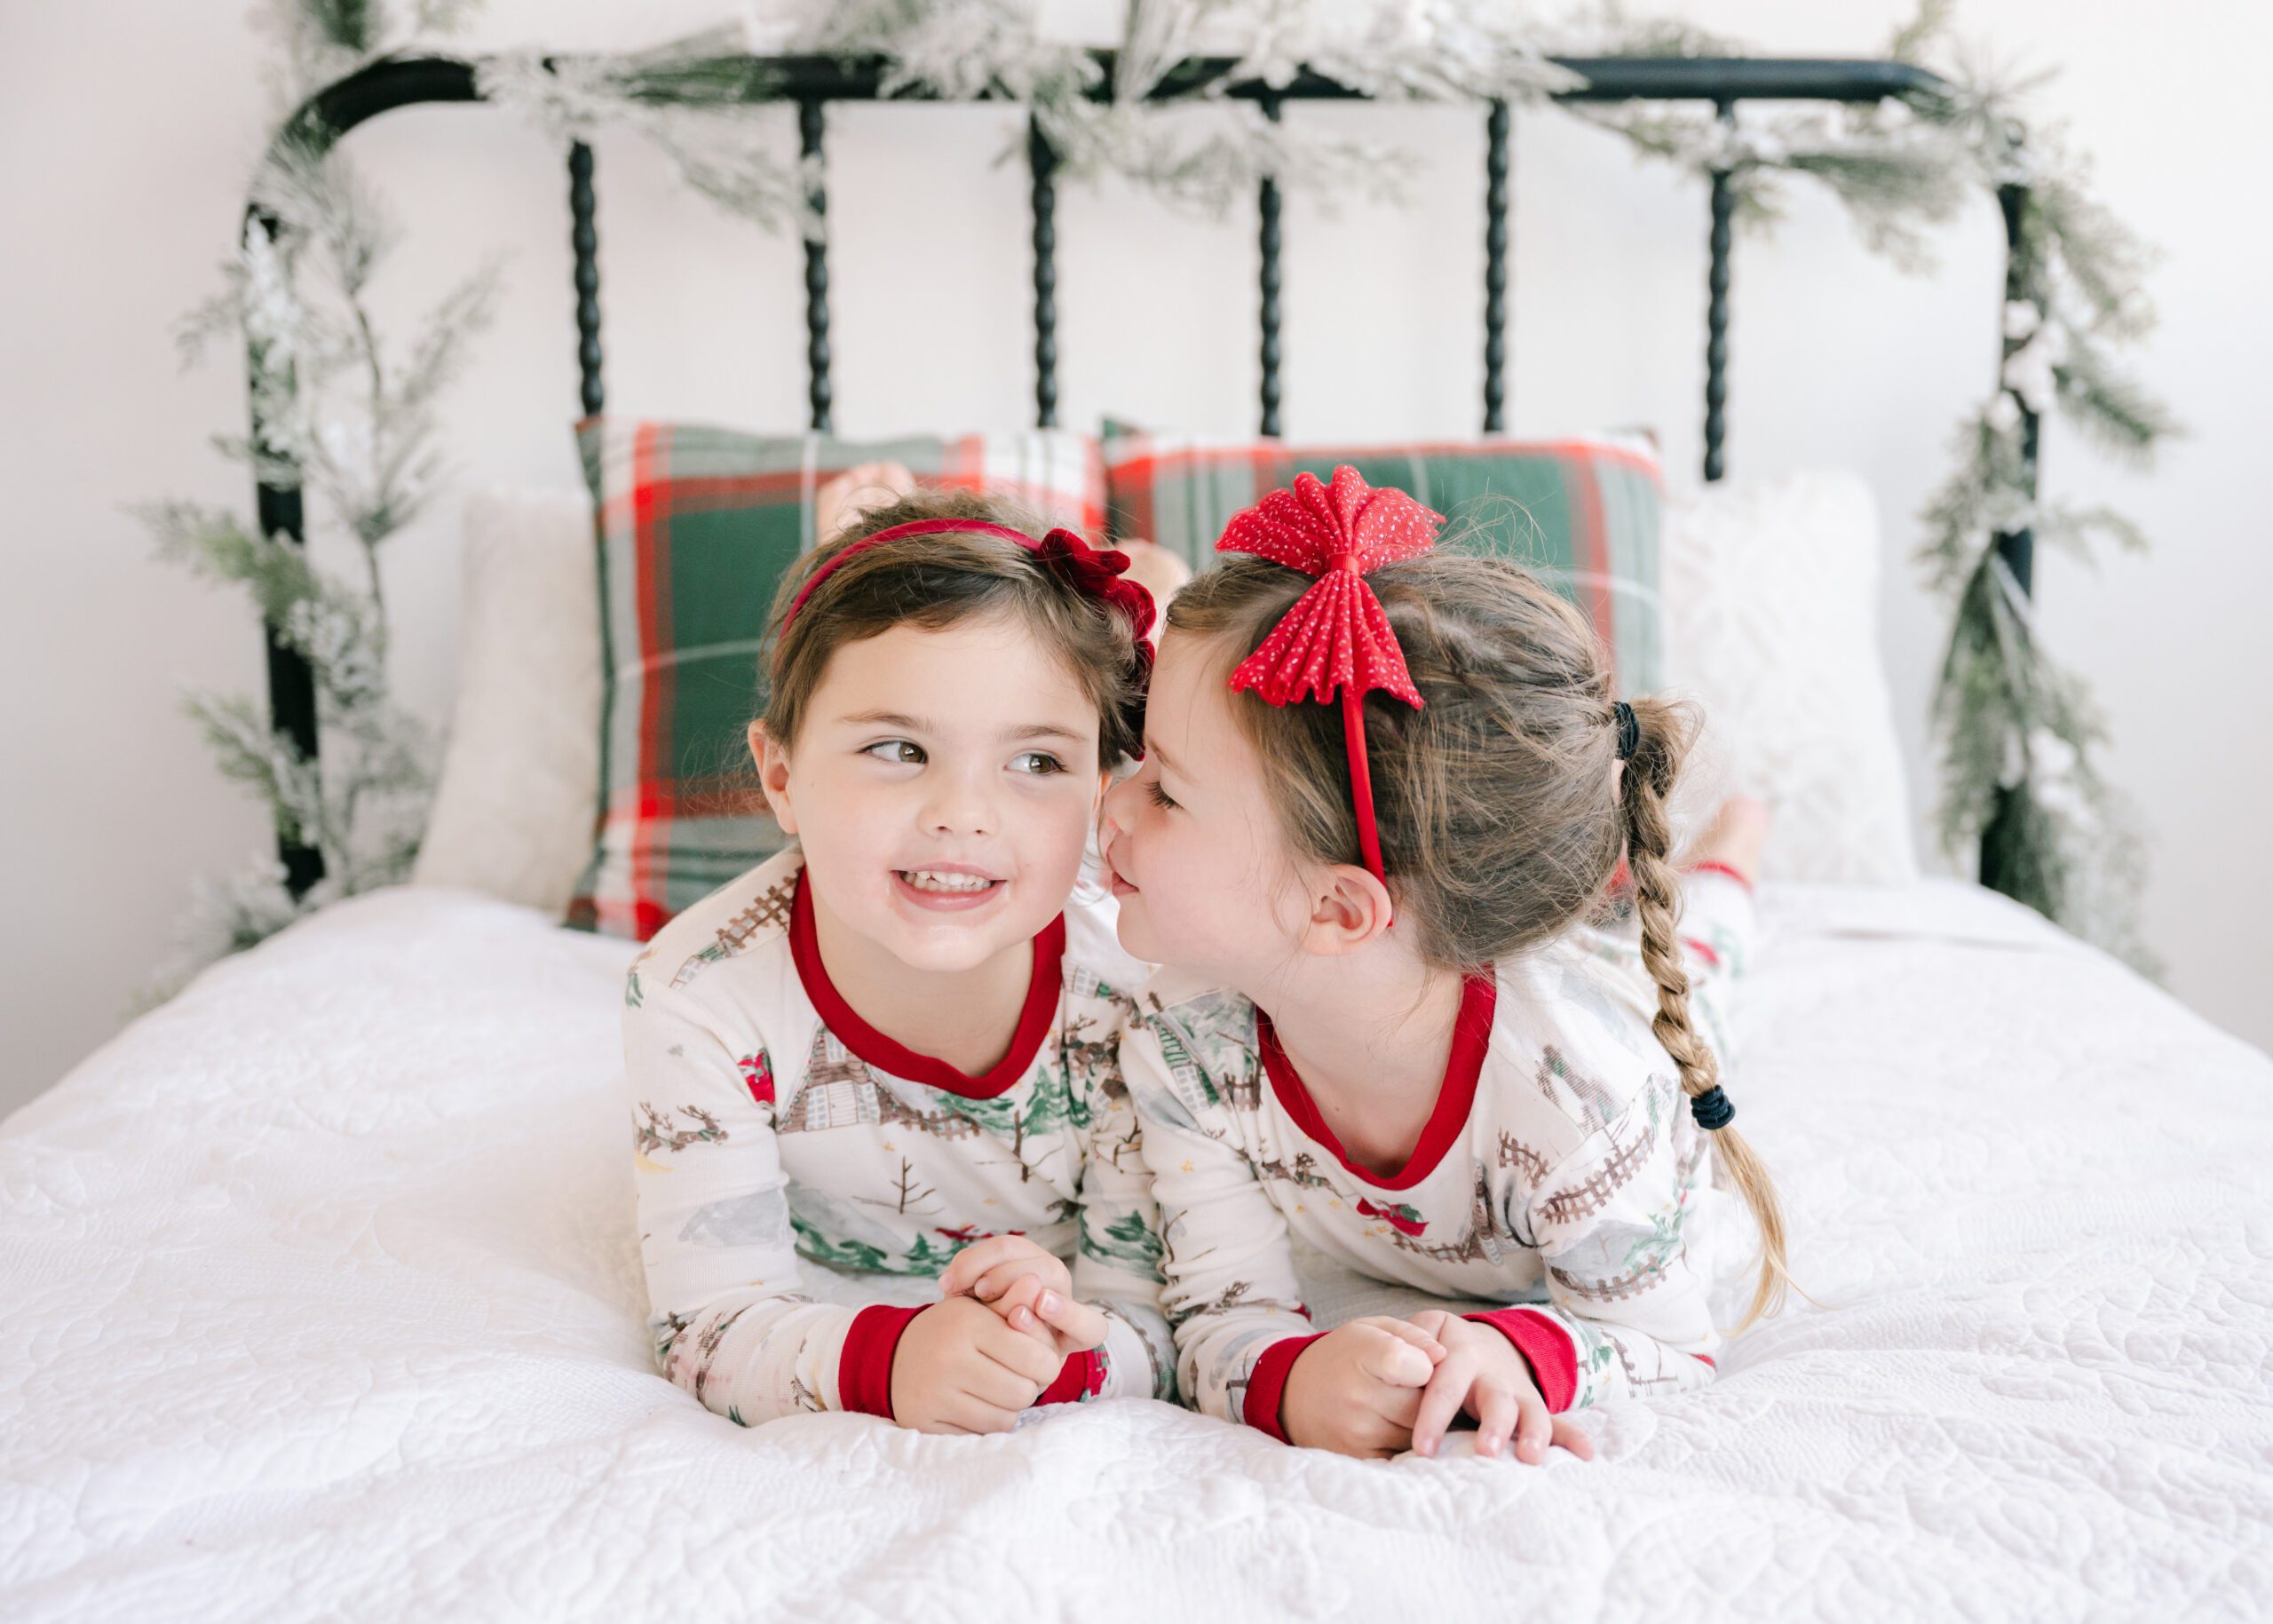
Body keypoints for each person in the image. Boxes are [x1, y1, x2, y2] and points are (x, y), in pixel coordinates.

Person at [1103, 465, 1789, 1462]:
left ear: (1337, 907)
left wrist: (1523, 1350)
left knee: (1699, 958)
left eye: (1163, 789)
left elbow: (1669, 1341)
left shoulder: (1580, 1098)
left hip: (1619, 1024)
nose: (1108, 804)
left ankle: (1731, 857)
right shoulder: (1181, 1046)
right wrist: (1292, 1382)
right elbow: (1213, 1315)